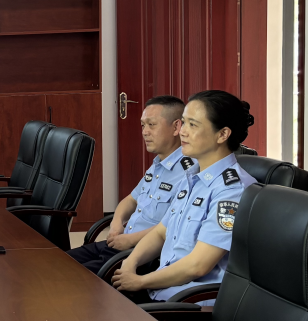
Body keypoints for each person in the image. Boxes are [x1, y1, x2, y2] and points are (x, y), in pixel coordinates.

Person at [110, 90, 257, 304]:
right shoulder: (192, 177)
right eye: (184, 123)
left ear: (222, 134)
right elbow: (161, 232)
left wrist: (141, 281)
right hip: (160, 289)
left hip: (188, 304)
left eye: (193, 125)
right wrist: (130, 263)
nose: (182, 132)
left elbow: (198, 265)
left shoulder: (232, 191)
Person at [66, 96, 189, 274]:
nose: (145, 132)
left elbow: (173, 225)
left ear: (176, 127)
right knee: (55, 263)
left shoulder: (188, 172)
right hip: (119, 243)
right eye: (143, 125)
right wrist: (116, 224)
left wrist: (130, 240)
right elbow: (131, 199)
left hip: (141, 255)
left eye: (152, 125)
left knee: (66, 278)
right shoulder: (158, 164)